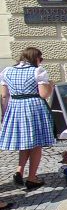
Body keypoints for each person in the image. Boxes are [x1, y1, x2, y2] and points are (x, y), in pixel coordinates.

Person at [0, 46, 54, 191]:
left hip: (15, 107)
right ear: (35, 58)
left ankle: (19, 170)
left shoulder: (7, 71)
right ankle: (31, 177)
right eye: (40, 59)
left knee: (25, 142)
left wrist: (5, 115)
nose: (41, 62)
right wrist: (50, 86)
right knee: (36, 143)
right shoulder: (38, 71)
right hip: (33, 107)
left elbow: (4, 96)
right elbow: (43, 94)